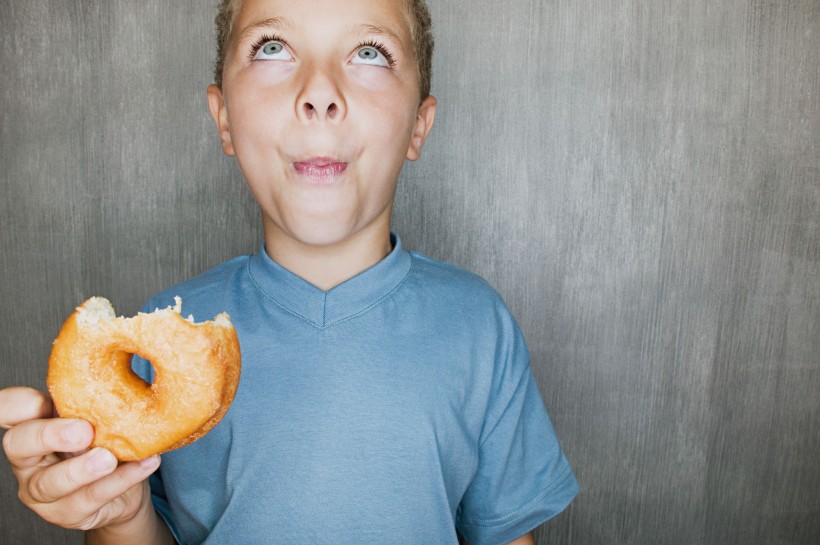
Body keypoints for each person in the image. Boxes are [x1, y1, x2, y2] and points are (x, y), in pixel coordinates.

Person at [0, 0, 579, 543]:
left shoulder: (478, 324)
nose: (320, 93)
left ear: (418, 126)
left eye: (370, 52)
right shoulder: (167, 338)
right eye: (273, 47)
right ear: (224, 119)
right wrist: (122, 517)